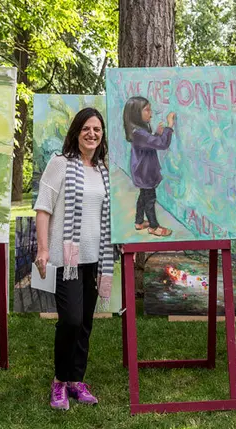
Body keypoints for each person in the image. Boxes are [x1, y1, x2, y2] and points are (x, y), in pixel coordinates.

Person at [33, 107, 113, 410]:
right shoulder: (60, 164)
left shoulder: (102, 170)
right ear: (76, 132)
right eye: (86, 129)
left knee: (85, 323)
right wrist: (42, 249)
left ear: (102, 135)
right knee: (71, 320)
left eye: (97, 130)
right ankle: (60, 381)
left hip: (96, 258)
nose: (92, 134)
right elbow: (43, 208)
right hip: (67, 260)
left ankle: (77, 380)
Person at [122, 96, 176, 237]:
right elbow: (162, 144)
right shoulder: (139, 133)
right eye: (147, 110)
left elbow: (150, 142)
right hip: (145, 172)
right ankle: (153, 226)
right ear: (135, 113)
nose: (150, 113)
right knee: (150, 199)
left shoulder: (138, 131)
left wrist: (156, 134)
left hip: (142, 170)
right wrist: (169, 126)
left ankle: (139, 222)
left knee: (143, 196)